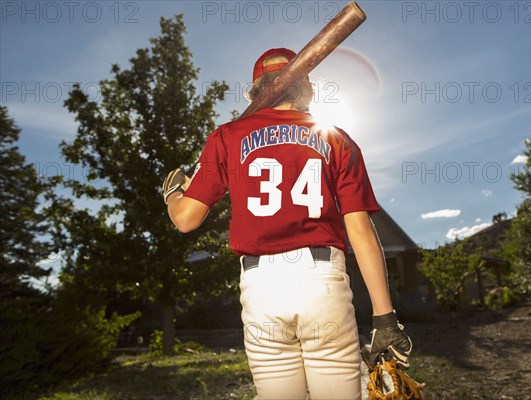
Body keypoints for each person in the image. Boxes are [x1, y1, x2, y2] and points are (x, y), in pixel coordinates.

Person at [162, 48, 413, 400]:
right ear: (306, 86)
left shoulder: (227, 136)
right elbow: (360, 231)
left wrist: (174, 192)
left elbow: (185, 219)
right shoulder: (335, 137)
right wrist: (384, 317)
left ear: (255, 91)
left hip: (261, 286)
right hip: (322, 280)